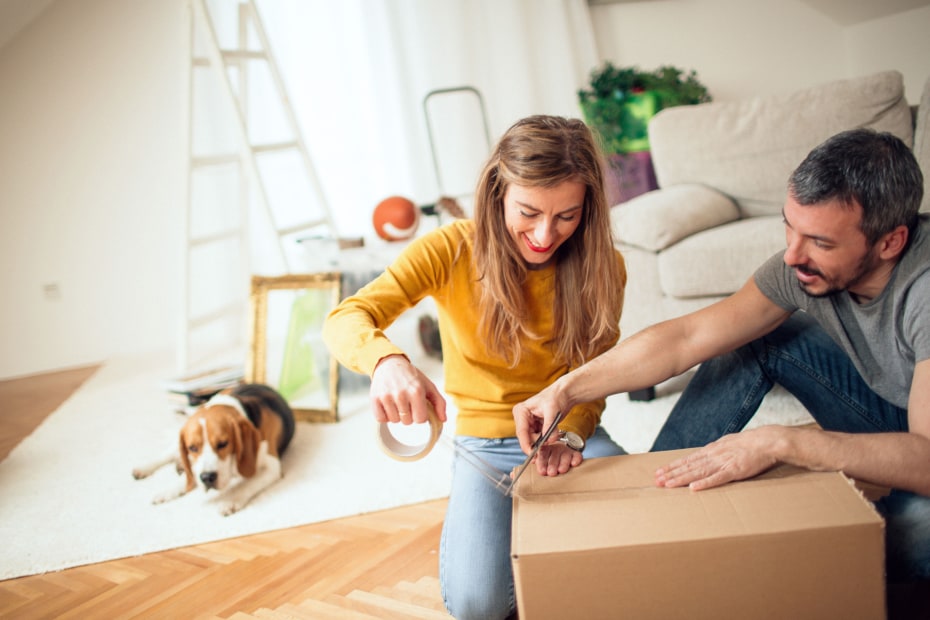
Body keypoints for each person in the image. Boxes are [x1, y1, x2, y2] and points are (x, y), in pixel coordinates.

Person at [513, 128, 930, 583]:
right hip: (894, 411)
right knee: (762, 335)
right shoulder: (799, 266)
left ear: (890, 242)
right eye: (789, 227)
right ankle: (655, 506)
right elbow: (688, 337)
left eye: (821, 243)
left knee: (900, 546)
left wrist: (782, 441)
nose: (792, 256)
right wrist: (565, 390)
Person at [323, 115, 628, 619]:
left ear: (587, 210)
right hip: (484, 445)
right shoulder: (450, 249)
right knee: (477, 606)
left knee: (636, 543)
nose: (545, 234)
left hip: (568, 438)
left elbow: (595, 378)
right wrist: (387, 361)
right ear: (497, 193)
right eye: (528, 211)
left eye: (567, 216)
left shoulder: (605, 266)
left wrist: (571, 433)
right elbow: (346, 317)